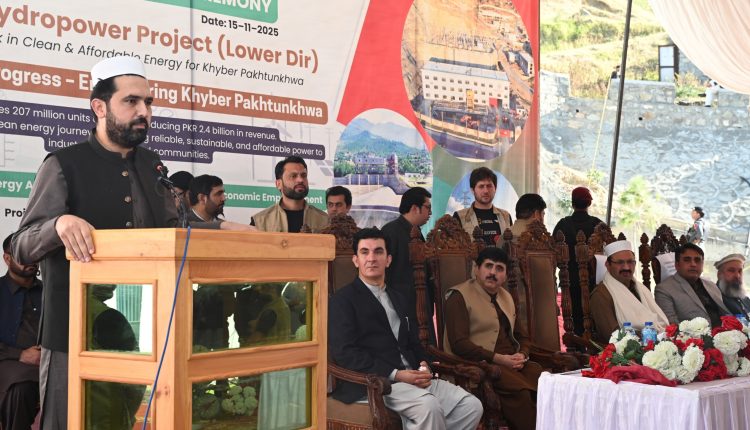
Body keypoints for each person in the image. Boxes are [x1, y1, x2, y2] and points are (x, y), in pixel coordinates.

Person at [11, 56, 253, 430]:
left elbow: (174, 230)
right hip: (72, 330)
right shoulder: (64, 163)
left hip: (138, 330)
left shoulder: (153, 165)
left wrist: (224, 229)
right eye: (132, 101)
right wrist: (58, 224)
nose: (144, 112)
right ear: (99, 107)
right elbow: (21, 244)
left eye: (148, 102)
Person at [329, 228, 483, 430]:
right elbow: (346, 353)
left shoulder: (400, 297)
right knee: (429, 406)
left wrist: (425, 365)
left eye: (378, 251)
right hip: (376, 383)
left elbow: (415, 342)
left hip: (413, 377)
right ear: (356, 260)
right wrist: (396, 374)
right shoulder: (342, 300)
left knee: (471, 406)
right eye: (365, 252)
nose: (372, 258)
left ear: (388, 260)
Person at [444, 246, 541, 430]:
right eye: (488, 266)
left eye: (499, 268)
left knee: (544, 382)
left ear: (505, 276)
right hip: (481, 363)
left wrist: (522, 354)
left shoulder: (506, 297)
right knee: (521, 393)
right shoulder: (458, 296)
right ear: (476, 269)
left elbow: (522, 336)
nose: (493, 273)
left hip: (512, 362)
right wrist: (499, 359)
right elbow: (459, 344)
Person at [85, 284, 144, 429]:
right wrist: (126, 415)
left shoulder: (63, 312)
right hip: (106, 417)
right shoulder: (107, 317)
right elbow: (136, 377)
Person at [589, 240, 668, 344]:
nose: (626, 267)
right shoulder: (601, 295)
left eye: (630, 262)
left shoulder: (640, 288)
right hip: (630, 350)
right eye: (620, 262)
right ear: (607, 265)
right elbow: (613, 336)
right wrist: (650, 336)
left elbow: (659, 322)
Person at [0, 234, 42, 430]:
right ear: (7, 258)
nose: (31, 260)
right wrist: (21, 354)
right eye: (23, 255)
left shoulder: (51, 292)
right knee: (21, 387)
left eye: (34, 254)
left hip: (49, 360)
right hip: (7, 360)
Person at [553, 187, 604, 335]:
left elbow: (554, 254)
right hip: (595, 283)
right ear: (589, 203)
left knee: (575, 321)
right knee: (595, 320)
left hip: (570, 283)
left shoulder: (562, 225)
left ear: (572, 203)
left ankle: (575, 343)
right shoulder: (598, 225)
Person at [382, 187, 432, 315]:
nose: (430, 213)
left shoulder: (416, 231)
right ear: (415, 208)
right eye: (428, 207)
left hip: (419, 301)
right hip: (400, 305)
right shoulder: (390, 232)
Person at [655, 243, 729, 326]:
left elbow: (725, 314)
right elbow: (671, 325)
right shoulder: (664, 289)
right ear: (677, 265)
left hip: (726, 331)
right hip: (696, 334)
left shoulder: (711, 285)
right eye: (687, 260)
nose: (693, 264)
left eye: (697, 260)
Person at [251, 156, 328, 232]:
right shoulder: (260, 222)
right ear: (278, 184)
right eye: (293, 176)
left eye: (304, 175)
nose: (300, 180)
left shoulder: (325, 221)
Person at [452, 167, 513, 246]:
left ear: (495, 188)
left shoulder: (506, 216)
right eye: (481, 186)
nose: (486, 191)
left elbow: (512, 247)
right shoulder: (459, 217)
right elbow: (454, 249)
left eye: (489, 186)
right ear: (472, 190)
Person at [715, 254, 750, 319]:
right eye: (731, 270)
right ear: (719, 274)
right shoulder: (714, 298)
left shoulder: (745, 299)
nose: (737, 276)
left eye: (740, 271)